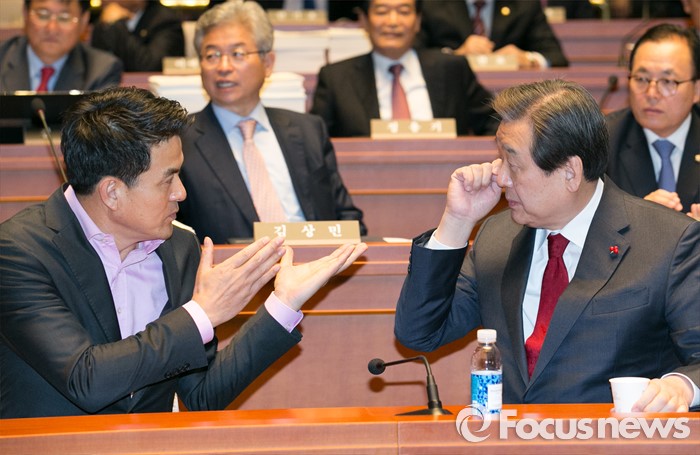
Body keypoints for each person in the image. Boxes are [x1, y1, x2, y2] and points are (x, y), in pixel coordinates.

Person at [0, 86, 368, 419]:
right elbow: (86, 380)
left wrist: (283, 304)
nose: (181, 192)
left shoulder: (178, 247)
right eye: (168, 179)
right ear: (112, 192)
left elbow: (202, 396)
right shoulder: (20, 252)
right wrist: (201, 314)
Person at [394, 79, 699, 411]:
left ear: (570, 172)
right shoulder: (497, 236)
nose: (501, 178)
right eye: (500, 159)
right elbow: (420, 333)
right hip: (508, 436)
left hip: (609, 435)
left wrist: (680, 387)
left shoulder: (668, 241)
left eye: (514, 165)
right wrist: (457, 221)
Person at [178, 1, 365, 244]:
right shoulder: (180, 140)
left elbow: (346, 218)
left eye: (237, 54)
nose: (223, 67)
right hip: (232, 264)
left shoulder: (308, 130)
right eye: (212, 55)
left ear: (268, 63)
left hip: (317, 260)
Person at [310, 0, 499, 138]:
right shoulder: (336, 78)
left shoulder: (452, 69)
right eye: (382, 12)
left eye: (404, 11)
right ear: (364, 21)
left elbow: (495, 121)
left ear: (417, 21)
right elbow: (315, 140)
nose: (393, 22)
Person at [606, 24, 699, 220]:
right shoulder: (603, 142)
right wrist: (638, 220)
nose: (651, 94)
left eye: (668, 81)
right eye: (641, 79)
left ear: (697, 90)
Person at [0, 0, 122, 92]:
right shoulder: (2, 56)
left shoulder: (101, 70)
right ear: (25, 14)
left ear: (84, 20)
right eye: (43, 15)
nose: (52, 28)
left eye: (64, 18)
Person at [415, 0, 569, 68]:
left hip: (511, 95)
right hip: (450, 95)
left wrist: (528, 59)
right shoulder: (431, 5)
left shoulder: (524, 4)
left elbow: (556, 57)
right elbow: (415, 54)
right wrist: (456, 55)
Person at [91, 0, 185, 72]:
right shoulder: (105, 19)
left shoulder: (165, 21)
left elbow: (150, 67)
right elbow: (95, 66)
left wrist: (117, 24)